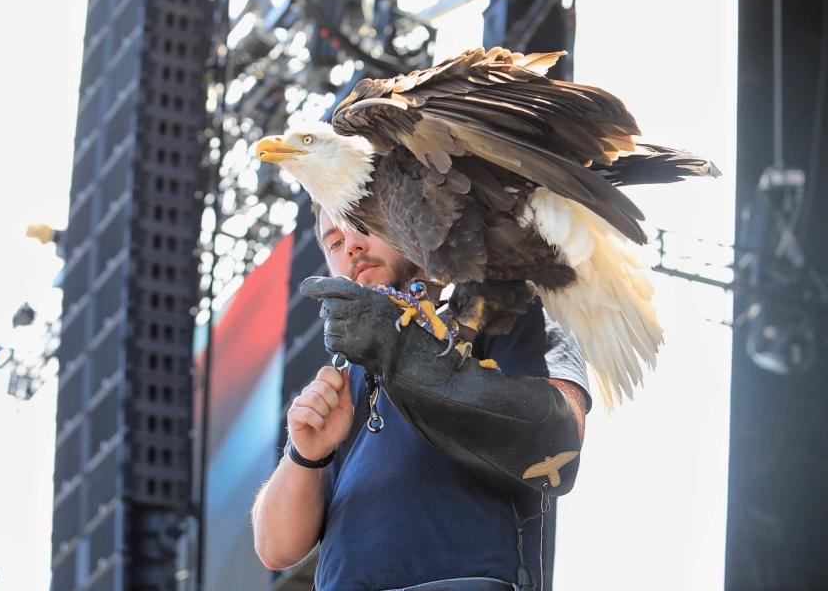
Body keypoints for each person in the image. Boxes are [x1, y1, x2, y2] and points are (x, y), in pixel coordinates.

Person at [251, 204, 591, 591]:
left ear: (408, 217)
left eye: (361, 224)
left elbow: (559, 441)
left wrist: (405, 358)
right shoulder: (348, 375)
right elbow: (274, 549)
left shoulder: (503, 303)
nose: (351, 247)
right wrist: (305, 454)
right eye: (334, 241)